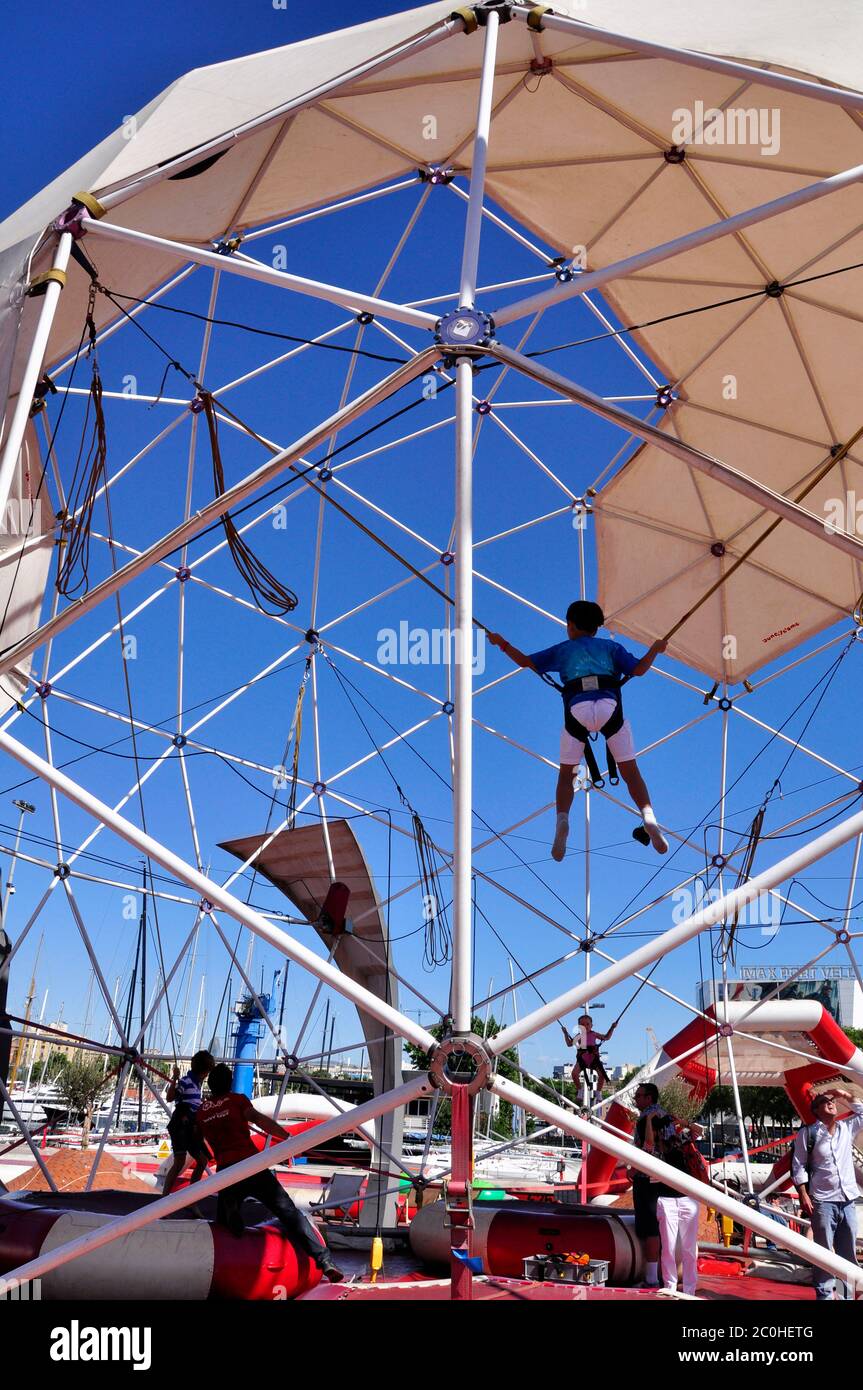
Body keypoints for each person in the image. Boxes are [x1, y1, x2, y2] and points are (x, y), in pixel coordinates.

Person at [488, 601, 667, 862]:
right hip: (610, 708)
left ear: (570, 625)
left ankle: (562, 820)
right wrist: (655, 649)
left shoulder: (564, 650)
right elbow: (639, 669)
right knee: (630, 771)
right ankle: (648, 816)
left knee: (566, 775)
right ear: (596, 627)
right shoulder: (610, 647)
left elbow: (524, 662)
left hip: (576, 710)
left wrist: (501, 642)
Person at [195, 1063, 344, 1282]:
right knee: (288, 1212)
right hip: (251, 1165)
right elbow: (260, 1120)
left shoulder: (202, 1112)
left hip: (226, 1170)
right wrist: (286, 1137)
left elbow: (196, 1141)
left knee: (223, 1225)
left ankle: (227, 1249)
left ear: (210, 1084)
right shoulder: (237, 1101)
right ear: (229, 1083)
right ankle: (325, 1261)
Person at [791, 1087, 863, 1300]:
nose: (831, 1103)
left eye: (832, 1101)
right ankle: (823, 1296)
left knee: (847, 1254)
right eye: (825, 1102)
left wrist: (846, 1095)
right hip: (823, 1201)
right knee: (823, 1253)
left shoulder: (846, 1128)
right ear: (816, 1110)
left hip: (848, 1200)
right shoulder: (808, 1133)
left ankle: (843, 1297)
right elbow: (798, 1165)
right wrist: (803, 1193)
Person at [648, 1111, 702, 1297]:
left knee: (688, 1248)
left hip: (687, 1198)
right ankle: (670, 1286)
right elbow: (647, 1147)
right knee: (669, 1246)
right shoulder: (656, 1146)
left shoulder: (682, 1141)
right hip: (667, 1198)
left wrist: (683, 1121)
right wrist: (649, 1121)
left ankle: (689, 1289)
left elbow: (699, 1131)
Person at [162, 1049, 215, 1213]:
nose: (207, 1076)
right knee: (179, 1162)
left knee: (203, 1160)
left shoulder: (197, 1084)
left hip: (190, 1127)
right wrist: (175, 1079)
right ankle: (163, 1202)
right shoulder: (186, 1081)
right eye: (207, 1072)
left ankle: (190, 1199)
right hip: (181, 1126)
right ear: (204, 1071)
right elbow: (170, 1097)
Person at [628, 1082, 668, 1287]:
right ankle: (662, 1274)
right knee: (661, 1227)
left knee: (649, 1227)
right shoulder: (665, 1115)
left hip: (646, 1178)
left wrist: (633, 1170)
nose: (636, 1100)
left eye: (638, 1096)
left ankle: (651, 1277)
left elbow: (648, 1147)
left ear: (649, 1097)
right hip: (664, 1178)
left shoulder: (646, 1119)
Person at [562, 1014, 615, 1097]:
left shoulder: (594, 1034)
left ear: (591, 1025)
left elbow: (606, 1037)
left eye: (587, 1024)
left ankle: (598, 1092)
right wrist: (565, 1033)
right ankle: (580, 1090)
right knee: (574, 1074)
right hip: (582, 1060)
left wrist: (612, 1028)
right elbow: (569, 1044)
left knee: (602, 1075)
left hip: (593, 1059)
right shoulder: (578, 1036)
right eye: (582, 1025)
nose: (585, 1026)